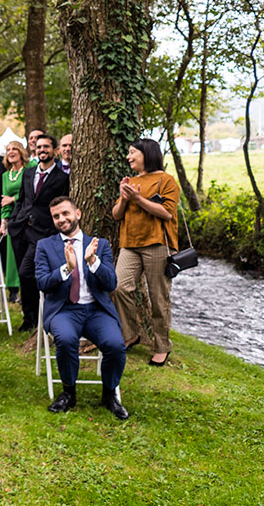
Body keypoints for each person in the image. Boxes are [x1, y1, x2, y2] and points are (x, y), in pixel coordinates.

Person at [35, 196, 128, 420]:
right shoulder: (45, 246)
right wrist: (66, 269)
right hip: (64, 310)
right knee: (65, 340)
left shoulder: (100, 244)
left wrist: (93, 262)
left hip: (96, 310)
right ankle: (69, 392)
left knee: (115, 345)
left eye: (65, 213)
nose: (61, 219)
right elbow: (42, 283)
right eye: (56, 216)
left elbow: (111, 283)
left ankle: (109, 394)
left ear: (77, 214)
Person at [111, 138, 180, 367]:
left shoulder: (166, 180)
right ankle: (130, 334)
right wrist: (123, 197)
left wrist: (138, 198)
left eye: (133, 153)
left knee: (158, 297)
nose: (128, 157)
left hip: (157, 244)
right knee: (119, 286)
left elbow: (167, 213)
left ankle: (162, 346)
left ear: (147, 154)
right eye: (128, 153)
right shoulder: (130, 181)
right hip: (129, 244)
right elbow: (116, 215)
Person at [0, 134, 69, 331]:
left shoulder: (62, 178)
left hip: (43, 233)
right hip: (21, 229)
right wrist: (13, 222)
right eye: (39, 147)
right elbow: (22, 199)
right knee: (24, 277)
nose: (42, 150)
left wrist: (51, 229)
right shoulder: (29, 173)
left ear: (54, 151)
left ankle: (43, 316)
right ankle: (29, 319)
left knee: (27, 271)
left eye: (46, 147)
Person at [0, 140, 30, 303]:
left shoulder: (29, 170)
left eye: (14, 149)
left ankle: (28, 288)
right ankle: (13, 290)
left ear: (21, 152)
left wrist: (14, 198)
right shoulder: (6, 176)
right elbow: (5, 201)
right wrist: (3, 222)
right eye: (8, 149)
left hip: (28, 217)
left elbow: (31, 193)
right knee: (12, 256)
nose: (11, 152)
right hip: (14, 219)